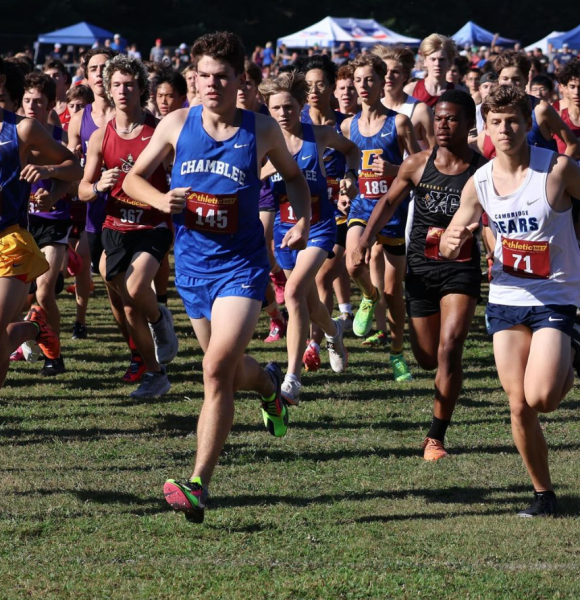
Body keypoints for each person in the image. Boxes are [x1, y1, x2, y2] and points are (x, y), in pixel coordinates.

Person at [123, 31, 312, 523]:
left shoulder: (262, 130)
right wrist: (160, 200)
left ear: (239, 81)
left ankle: (198, 483)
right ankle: (269, 384)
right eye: (203, 76)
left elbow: (293, 176)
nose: (211, 85)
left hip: (242, 267)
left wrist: (304, 220)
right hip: (192, 268)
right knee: (226, 369)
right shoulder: (175, 124)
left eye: (221, 77)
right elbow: (132, 179)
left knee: (212, 372)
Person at [440, 85, 580, 517]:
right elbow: (451, 237)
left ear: (527, 123)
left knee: (541, 398)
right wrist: (453, 238)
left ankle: (567, 362)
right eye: (496, 122)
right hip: (505, 298)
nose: (505, 130)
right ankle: (544, 494)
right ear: (485, 126)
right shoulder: (479, 181)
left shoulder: (556, 170)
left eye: (513, 121)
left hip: (555, 296)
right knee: (518, 404)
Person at [352, 90, 486, 460]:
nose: (443, 125)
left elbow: (494, 214)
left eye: (452, 119)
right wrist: (364, 240)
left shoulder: (482, 169)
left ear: (468, 124)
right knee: (427, 358)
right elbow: (387, 201)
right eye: (439, 118)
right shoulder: (416, 164)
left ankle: (435, 437)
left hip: (461, 269)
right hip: (422, 269)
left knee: (450, 348)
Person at [79, 55, 178, 399]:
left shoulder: (158, 131)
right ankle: (155, 373)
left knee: (136, 288)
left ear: (141, 89)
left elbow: (180, 171)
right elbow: (82, 189)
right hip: (114, 224)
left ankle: (160, 319)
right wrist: (96, 187)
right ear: (107, 89)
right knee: (121, 291)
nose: (123, 91)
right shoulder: (100, 137)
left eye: (129, 85)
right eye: (116, 85)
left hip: (153, 224)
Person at [259, 70, 356, 404]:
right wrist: (267, 170)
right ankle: (333, 331)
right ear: (268, 110)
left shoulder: (320, 135)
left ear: (300, 105)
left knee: (296, 292)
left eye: (289, 106)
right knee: (309, 302)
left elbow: (351, 150)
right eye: (276, 108)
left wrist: (350, 178)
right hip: (285, 231)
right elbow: (250, 176)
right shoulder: (264, 142)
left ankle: (292, 378)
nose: (283, 113)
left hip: (320, 225)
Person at [0, 57, 82, 389]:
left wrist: (50, 180)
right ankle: (33, 328)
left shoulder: (21, 129)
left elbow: (73, 167)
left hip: (9, 242)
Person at [342, 53, 420, 381]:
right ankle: (367, 296)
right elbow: (349, 161)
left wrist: (394, 170)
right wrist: (347, 179)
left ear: (381, 81)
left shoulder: (398, 122)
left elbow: (421, 165)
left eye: (369, 80)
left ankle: (397, 352)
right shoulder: (347, 124)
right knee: (353, 263)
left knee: (393, 292)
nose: (363, 86)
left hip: (393, 210)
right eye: (358, 80)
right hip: (362, 206)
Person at [299, 54, 354, 371]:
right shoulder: (296, 120)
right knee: (305, 287)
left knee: (321, 277)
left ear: (332, 86)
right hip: (305, 212)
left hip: (342, 212)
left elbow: (354, 158)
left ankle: (315, 343)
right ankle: (328, 333)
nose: (315, 90)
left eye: (321, 84)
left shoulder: (345, 124)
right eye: (309, 85)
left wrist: (350, 180)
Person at [22, 72, 71, 375]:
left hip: (53, 221)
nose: (31, 107)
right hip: (21, 223)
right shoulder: (14, 133)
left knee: (44, 290)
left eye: (38, 102)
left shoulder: (59, 137)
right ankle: (28, 333)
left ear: (51, 104)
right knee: (22, 296)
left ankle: (55, 355)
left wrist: (52, 196)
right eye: (27, 100)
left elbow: (71, 177)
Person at [236, 60, 287, 344]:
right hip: (236, 198)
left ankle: (277, 280)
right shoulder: (225, 118)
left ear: (257, 87)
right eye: (239, 82)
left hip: (267, 193)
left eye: (248, 83)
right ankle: (275, 316)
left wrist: (263, 169)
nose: (243, 89)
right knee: (252, 259)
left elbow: (288, 154)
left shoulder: (270, 118)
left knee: (265, 247)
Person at [475, 51, 580, 160]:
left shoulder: (540, 109)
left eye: (516, 80)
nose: (510, 84)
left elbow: (573, 144)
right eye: (505, 79)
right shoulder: (491, 108)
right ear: (498, 80)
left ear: (526, 79)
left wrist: (559, 172)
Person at [373, 44, 435, 149]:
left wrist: (397, 167)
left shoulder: (420, 110)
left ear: (405, 76)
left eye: (395, 71)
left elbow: (435, 152)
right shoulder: (374, 108)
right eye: (385, 72)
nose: (388, 76)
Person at [405, 34, 456, 108]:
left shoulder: (459, 91)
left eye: (442, 59)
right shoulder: (410, 90)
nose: (437, 64)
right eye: (433, 59)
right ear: (424, 61)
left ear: (450, 62)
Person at [43, 59, 71, 129]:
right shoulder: (41, 106)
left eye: (56, 75)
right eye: (48, 76)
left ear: (64, 78)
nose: (51, 79)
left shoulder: (74, 105)